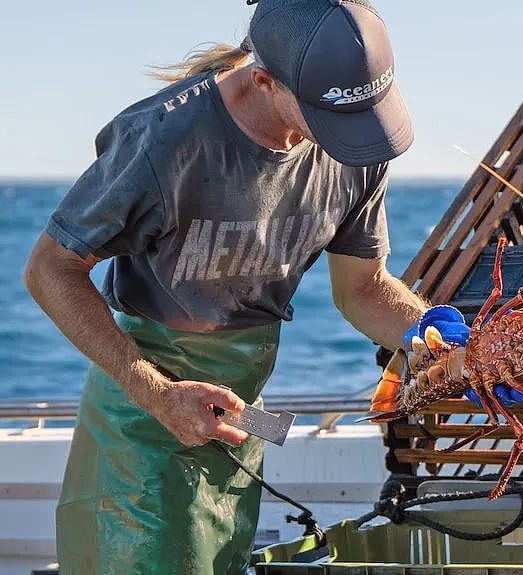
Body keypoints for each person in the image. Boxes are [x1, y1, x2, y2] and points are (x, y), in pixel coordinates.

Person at [22, 0, 461, 572]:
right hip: (143, 407)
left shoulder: (356, 143)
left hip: (242, 409)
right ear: (263, 81)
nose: (347, 139)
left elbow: (364, 288)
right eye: (330, 121)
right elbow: (48, 270)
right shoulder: (162, 141)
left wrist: (427, 333)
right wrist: (155, 393)